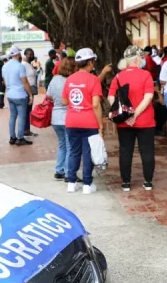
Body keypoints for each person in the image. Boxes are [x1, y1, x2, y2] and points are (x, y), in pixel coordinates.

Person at [109, 46, 156, 192]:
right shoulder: (146, 75)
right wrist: (135, 114)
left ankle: (126, 183)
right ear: (137, 59)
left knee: (125, 151)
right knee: (147, 151)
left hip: (124, 123)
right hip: (145, 120)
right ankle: (148, 182)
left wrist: (125, 114)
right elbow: (148, 97)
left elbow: (111, 97)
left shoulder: (118, 77)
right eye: (142, 57)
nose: (143, 59)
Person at [62, 48, 103, 195]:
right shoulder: (94, 80)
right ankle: (87, 184)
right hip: (89, 122)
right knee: (87, 153)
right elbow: (96, 105)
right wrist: (100, 125)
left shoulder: (69, 79)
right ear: (90, 62)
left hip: (71, 121)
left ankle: (71, 183)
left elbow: (64, 101)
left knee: (73, 151)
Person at [47, 57, 75, 180]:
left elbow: (48, 96)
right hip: (67, 116)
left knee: (62, 145)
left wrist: (56, 99)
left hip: (55, 117)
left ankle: (59, 170)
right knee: (70, 146)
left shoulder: (54, 79)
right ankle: (69, 173)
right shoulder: (71, 81)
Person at [2, 46, 34, 146]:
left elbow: (5, 82)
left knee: (12, 116)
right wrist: (30, 94)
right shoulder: (20, 66)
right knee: (22, 116)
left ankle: (12, 137)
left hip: (10, 94)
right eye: (19, 53)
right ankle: (20, 138)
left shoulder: (5, 66)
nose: (20, 54)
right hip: (20, 95)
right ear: (16, 54)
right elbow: (25, 81)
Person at [22, 48, 39, 137]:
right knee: (26, 110)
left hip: (31, 89)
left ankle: (27, 130)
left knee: (28, 111)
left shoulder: (30, 65)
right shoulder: (23, 65)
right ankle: (25, 130)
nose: (31, 56)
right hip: (27, 90)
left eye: (32, 54)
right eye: (29, 54)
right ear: (25, 55)